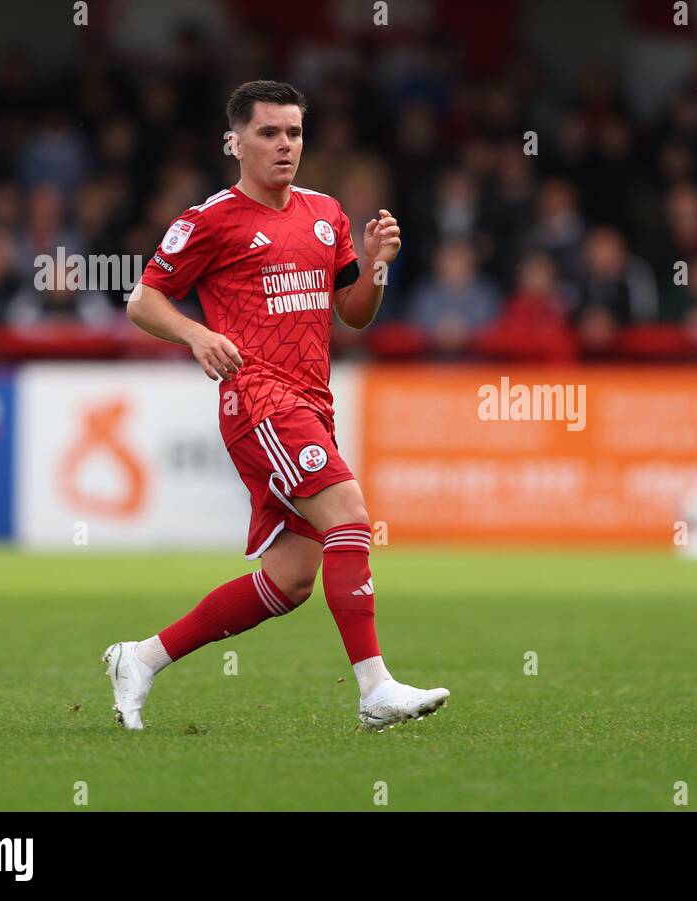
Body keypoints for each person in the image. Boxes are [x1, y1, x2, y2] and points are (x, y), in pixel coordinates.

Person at [110, 80, 449, 732]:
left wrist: (375, 267)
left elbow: (353, 317)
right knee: (350, 511)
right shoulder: (209, 220)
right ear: (235, 142)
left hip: (310, 404)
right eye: (269, 133)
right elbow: (142, 299)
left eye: (294, 132)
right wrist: (198, 333)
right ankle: (375, 687)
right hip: (256, 400)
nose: (285, 145)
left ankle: (141, 657)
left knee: (291, 579)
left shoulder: (326, 213)